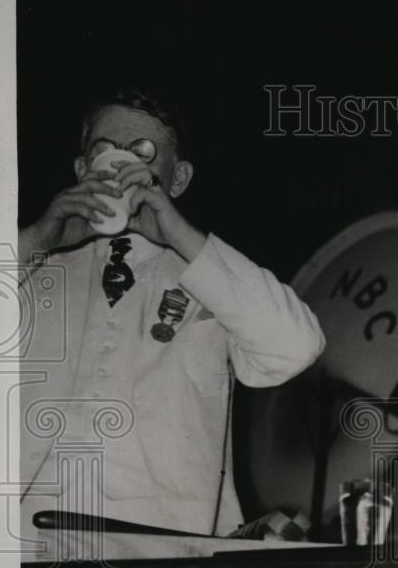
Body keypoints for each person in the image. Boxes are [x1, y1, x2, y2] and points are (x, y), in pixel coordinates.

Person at [18, 87, 325, 542]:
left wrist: (178, 232)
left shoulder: (209, 273)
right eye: (103, 150)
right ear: (83, 169)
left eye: (141, 152)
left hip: (160, 556)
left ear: (177, 179)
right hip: (23, 549)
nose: (119, 164)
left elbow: (296, 346)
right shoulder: (32, 269)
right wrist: (34, 241)